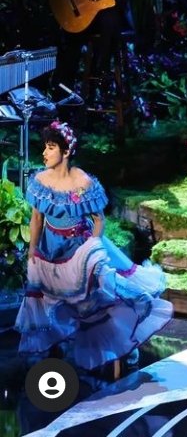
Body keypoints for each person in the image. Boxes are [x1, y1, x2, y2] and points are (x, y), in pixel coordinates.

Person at [15, 121, 173, 374]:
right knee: (50, 297)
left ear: (66, 151)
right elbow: (36, 218)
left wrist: (92, 247)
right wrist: (33, 248)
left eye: (51, 147)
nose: (45, 152)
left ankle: (124, 335)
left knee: (96, 298)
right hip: (51, 247)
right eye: (45, 146)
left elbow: (98, 219)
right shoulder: (41, 180)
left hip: (81, 246)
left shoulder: (82, 181)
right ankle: (54, 346)